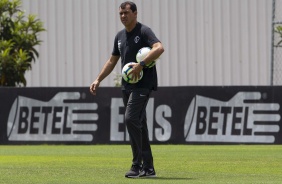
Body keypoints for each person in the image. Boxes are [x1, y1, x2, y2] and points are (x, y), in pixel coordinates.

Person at [89, 1, 164, 178]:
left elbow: (159, 48)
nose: (123, 16)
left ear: (135, 13)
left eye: (126, 13)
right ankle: (149, 168)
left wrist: (141, 64)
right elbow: (112, 61)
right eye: (121, 14)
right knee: (140, 124)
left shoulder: (144, 31)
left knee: (130, 119)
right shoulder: (120, 36)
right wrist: (98, 79)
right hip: (127, 86)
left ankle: (137, 165)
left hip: (143, 85)